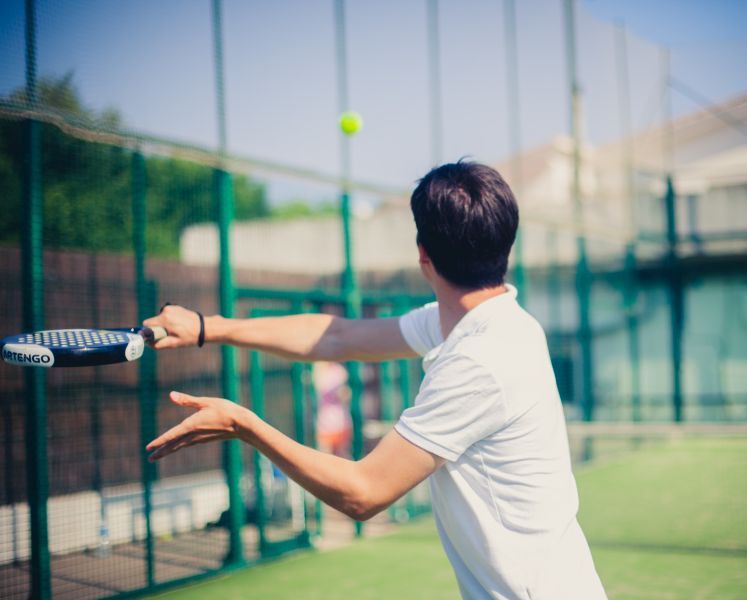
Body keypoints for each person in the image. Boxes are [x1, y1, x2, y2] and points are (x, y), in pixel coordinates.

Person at [144, 161, 607, 599]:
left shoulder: (480, 360)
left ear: (423, 255)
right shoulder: (489, 319)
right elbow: (338, 337)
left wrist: (244, 425)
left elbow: (362, 492)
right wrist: (208, 327)